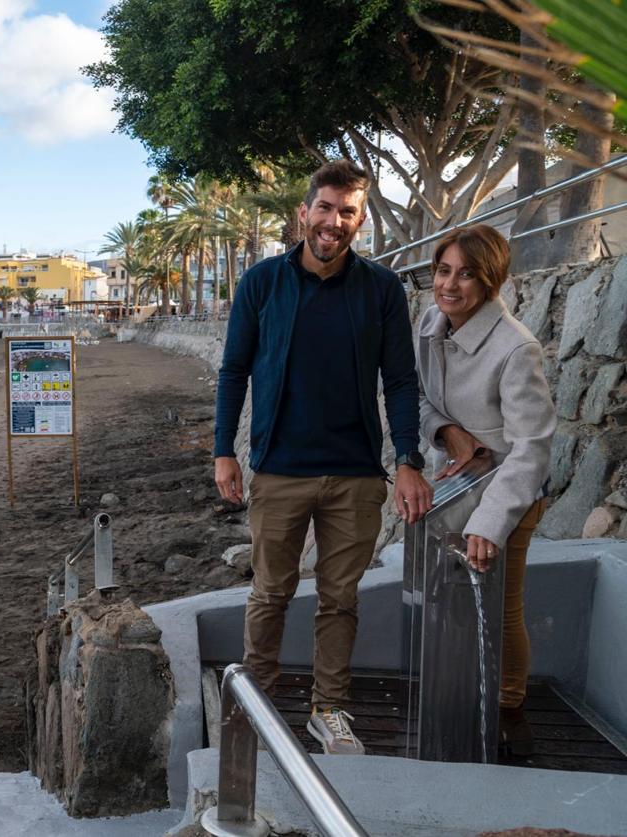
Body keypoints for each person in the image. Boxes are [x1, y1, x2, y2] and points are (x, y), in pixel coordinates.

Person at [214, 159, 433, 756]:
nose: (334, 221)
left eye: (348, 212)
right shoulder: (262, 283)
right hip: (280, 468)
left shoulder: (382, 290)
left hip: (357, 475)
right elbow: (234, 371)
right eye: (326, 208)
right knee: (270, 592)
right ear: (304, 212)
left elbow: (402, 381)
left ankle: (329, 711)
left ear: (359, 220)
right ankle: (256, 701)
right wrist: (223, 453)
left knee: (341, 599)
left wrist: (408, 458)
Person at [416, 224, 556, 757]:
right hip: (461, 481)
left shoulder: (516, 348)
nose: (451, 284)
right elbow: (420, 401)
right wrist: (450, 435)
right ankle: (465, 696)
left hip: (508, 494)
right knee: (455, 604)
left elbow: (532, 448)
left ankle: (509, 706)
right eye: (444, 270)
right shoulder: (431, 323)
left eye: (467, 274)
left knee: (503, 607)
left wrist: (488, 524)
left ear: (491, 280)